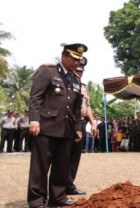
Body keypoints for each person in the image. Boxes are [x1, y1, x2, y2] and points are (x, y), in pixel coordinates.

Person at [27, 43, 86, 208]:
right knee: (40, 167)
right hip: (46, 126)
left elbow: (75, 107)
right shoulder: (48, 71)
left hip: (66, 129)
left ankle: (57, 197)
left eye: (78, 60)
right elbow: (36, 97)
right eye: (73, 59)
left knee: (62, 166)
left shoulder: (75, 79)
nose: (76, 63)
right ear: (63, 56)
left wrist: (77, 128)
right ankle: (37, 200)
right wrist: (34, 120)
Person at [66, 57, 97, 196]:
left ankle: (69, 185)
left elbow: (87, 106)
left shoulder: (83, 86)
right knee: (64, 154)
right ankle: (60, 186)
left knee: (75, 156)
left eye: (82, 70)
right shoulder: (66, 82)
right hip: (69, 121)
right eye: (77, 69)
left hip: (82, 122)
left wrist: (93, 122)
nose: (79, 72)